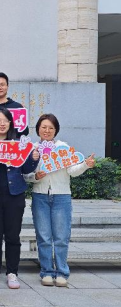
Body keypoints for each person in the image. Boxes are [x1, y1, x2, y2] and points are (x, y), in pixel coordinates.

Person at [24, 114, 96, 287]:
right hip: (40, 196)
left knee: (61, 237)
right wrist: (35, 176)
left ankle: (62, 272)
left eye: (51, 128)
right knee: (43, 237)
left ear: (56, 130)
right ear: (38, 129)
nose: (47, 131)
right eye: (43, 127)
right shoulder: (32, 149)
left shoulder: (63, 147)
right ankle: (47, 272)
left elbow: (72, 171)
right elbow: (25, 174)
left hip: (61, 196)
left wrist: (85, 165)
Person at [0, 109, 40, 289]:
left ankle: (12, 272)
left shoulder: (19, 144)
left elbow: (26, 169)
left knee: (13, 235)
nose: (2, 123)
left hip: (15, 194)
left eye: (5, 120)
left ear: (11, 123)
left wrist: (33, 159)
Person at [0, 72, 29, 136]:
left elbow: (24, 132)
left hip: (12, 141)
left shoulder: (17, 107)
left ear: (7, 86)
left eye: (2, 85)